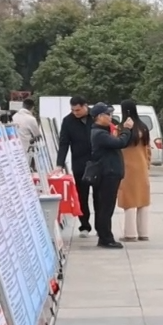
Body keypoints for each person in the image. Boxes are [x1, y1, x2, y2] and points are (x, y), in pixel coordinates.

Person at [88, 103, 134, 249]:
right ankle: (106, 238)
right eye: (108, 114)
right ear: (99, 117)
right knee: (106, 207)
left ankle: (105, 236)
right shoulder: (99, 134)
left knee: (105, 206)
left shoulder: (103, 131)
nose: (110, 117)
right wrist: (127, 129)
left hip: (110, 173)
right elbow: (120, 142)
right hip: (107, 173)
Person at [58, 96, 95, 237]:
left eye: (78, 110)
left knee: (100, 197)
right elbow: (64, 143)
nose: (75, 113)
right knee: (82, 197)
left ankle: (101, 227)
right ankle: (84, 226)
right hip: (80, 164)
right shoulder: (68, 121)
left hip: (97, 162)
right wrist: (59, 164)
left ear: (85, 106)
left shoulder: (96, 117)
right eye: (73, 110)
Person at [117, 100, 153, 242]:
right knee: (143, 200)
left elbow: (117, 145)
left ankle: (130, 234)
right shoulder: (143, 128)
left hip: (127, 168)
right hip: (142, 167)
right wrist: (147, 164)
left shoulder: (121, 128)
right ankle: (144, 233)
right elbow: (148, 149)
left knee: (129, 201)